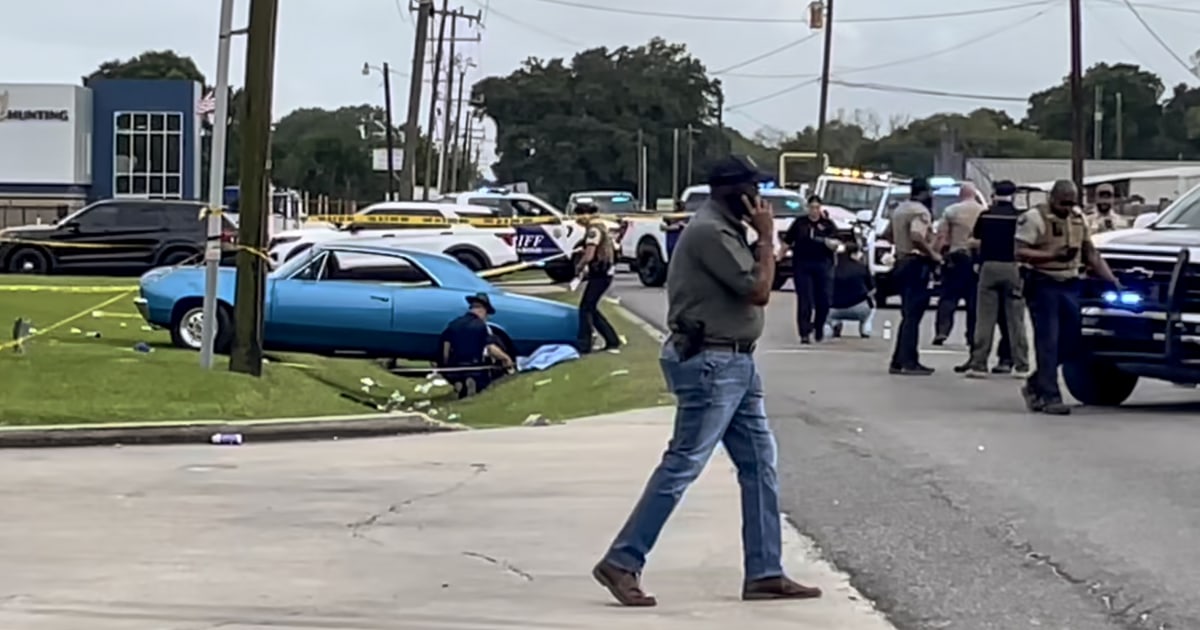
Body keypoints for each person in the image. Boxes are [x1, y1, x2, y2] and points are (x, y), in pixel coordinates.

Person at [593, 155, 822, 607]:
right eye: (752, 190)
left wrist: (759, 238)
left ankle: (765, 571)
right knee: (683, 464)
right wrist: (768, 238)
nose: (760, 200)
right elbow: (758, 290)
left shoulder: (727, 228)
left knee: (760, 465)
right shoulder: (710, 231)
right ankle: (622, 561)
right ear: (731, 191)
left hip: (736, 361)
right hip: (711, 362)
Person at [1015, 179, 1119, 415]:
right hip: (1043, 282)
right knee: (1048, 341)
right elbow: (1018, 250)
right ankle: (1051, 396)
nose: (1067, 208)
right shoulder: (1034, 218)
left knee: (1072, 342)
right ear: (1052, 198)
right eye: (1063, 203)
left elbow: (1090, 252)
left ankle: (1036, 383)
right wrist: (1049, 255)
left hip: (1070, 283)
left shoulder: (1077, 217)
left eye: (1071, 203)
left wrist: (1111, 280)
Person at [955, 180, 1030, 378]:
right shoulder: (1020, 217)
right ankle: (1021, 365)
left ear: (994, 194)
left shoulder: (986, 215)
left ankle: (979, 363)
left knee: (984, 319)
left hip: (988, 267)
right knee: (1016, 320)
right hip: (1013, 267)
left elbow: (975, 240)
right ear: (1014, 195)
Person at [887, 176, 941, 376]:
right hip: (916, 263)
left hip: (901, 261)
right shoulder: (921, 212)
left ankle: (898, 360)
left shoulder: (899, 209)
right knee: (913, 315)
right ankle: (909, 361)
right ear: (925, 192)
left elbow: (887, 234)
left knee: (907, 313)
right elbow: (917, 235)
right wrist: (932, 253)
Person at [778, 194, 838, 343]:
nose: (814, 211)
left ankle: (818, 327)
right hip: (802, 265)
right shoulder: (800, 223)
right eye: (812, 208)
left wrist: (831, 243)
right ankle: (804, 332)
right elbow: (787, 243)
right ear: (807, 208)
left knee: (823, 300)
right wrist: (778, 258)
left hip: (823, 265)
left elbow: (837, 243)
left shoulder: (827, 224)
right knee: (805, 299)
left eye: (817, 208)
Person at [933, 183, 986, 346]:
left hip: (955, 257)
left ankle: (942, 331)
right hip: (976, 259)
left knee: (948, 297)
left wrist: (937, 255)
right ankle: (971, 335)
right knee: (973, 300)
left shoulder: (952, 211)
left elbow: (942, 236)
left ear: (961, 194)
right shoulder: (983, 211)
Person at [438, 293, 514, 398]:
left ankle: (459, 383)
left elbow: (445, 348)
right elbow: (491, 348)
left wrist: (446, 367)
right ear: (482, 310)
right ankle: (472, 383)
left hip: (454, 368)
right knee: (484, 381)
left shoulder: (453, 324)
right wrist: (506, 358)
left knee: (461, 385)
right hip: (476, 367)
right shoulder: (481, 326)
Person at [573, 202, 621, 353]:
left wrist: (579, 266)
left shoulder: (593, 230)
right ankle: (612, 339)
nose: (576, 220)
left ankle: (584, 343)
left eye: (577, 216)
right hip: (603, 272)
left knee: (585, 308)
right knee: (591, 307)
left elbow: (590, 254)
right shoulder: (600, 226)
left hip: (600, 273)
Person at [825, 242, 875, 338]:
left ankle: (829, 326)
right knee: (872, 303)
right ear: (854, 254)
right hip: (859, 308)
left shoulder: (830, 268)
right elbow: (872, 289)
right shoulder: (862, 268)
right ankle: (865, 328)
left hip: (833, 308)